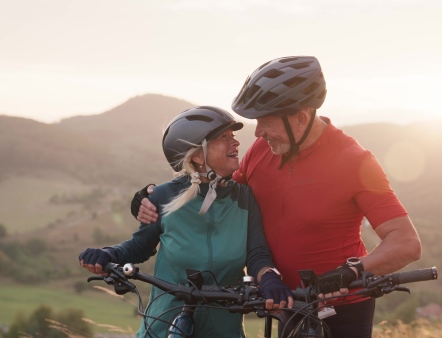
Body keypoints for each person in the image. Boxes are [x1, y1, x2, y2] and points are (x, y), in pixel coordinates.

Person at [133, 56, 422, 337]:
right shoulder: (262, 150)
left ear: (300, 118)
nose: (257, 133)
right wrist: (152, 197)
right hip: (287, 301)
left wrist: (352, 271)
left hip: (344, 307)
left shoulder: (355, 162)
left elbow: (406, 242)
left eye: (265, 122)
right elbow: (216, 192)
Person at [79, 106, 293, 338]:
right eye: (224, 137)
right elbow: (139, 247)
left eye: (233, 136)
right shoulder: (164, 196)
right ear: (198, 155)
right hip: (162, 329)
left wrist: (270, 278)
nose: (235, 143)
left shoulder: (244, 198)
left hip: (223, 332)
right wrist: (110, 254)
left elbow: (257, 254)